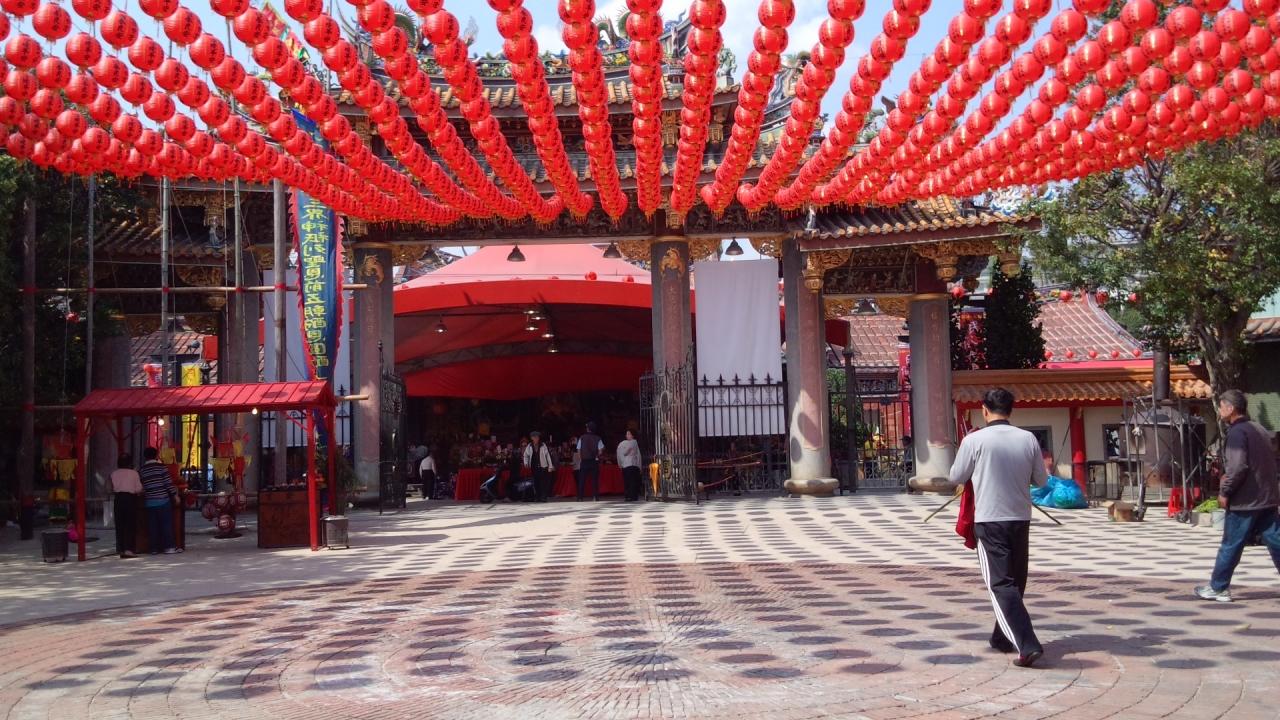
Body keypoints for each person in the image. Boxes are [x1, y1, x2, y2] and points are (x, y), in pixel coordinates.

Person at [948, 388, 1049, 668]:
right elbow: (1041, 481)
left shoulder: (974, 440)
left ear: (984, 410)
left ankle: (1027, 644)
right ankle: (1002, 637)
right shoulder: (1028, 438)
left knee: (1001, 583)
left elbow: (956, 475)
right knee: (1015, 579)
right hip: (1020, 517)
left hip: (989, 518)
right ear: (1011, 410)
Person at [1195, 390, 1280, 603]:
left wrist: (1225, 491)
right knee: (1276, 541)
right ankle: (1218, 586)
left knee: (1231, 544)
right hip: (1267, 497)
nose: (1219, 410)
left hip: (1245, 501)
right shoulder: (1259, 429)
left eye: (1221, 406)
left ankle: (1218, 587)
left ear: (1231, 408)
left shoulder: (1237, 432)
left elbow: (1237, 466)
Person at [139, 446, 181, 555]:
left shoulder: (142, 470)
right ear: (156, 455)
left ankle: (153, 549)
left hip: (149, 501)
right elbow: (168, 483)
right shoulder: (161, 467)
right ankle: (169, 547)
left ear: (145, 457)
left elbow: (142, 486)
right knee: (166, 524)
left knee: (152, 526)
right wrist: (175, 496)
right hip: (163, 500)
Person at [109, 453, 142, 559]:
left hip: (118, 499)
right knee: (130, 524)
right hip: (130, 499)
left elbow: (109, 488)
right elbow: (138, 489)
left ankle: (121, 549)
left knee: (120, 524)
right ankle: (129, 549)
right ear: (130, 463)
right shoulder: (134, 473)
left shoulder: (113, 474)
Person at [523, 431, 555, 502]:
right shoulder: (530, 446)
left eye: (537, 437)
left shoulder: (543, 445)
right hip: (534, 466)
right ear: (532, 438)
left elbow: (547, 455)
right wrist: (526, 462)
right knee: (536, 482)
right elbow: (525, 455)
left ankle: (543, 497)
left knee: (543, 483)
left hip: (543, 466)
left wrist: (550, 466)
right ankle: (538, 497)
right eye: (535, 437)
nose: (536, 438)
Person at [577, 422, 605, 501]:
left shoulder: (582, 437)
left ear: (588, 429)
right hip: (594, 461)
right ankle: (595, 497)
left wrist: (581, 458)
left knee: (582, 479)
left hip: (584, 461)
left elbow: (578, 449)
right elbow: (601, 451)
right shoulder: (598, 438)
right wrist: (597, 456)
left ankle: (580, 497)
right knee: (594, 480)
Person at [617, 429, 642, 501]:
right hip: (628, 465)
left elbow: (638, 455)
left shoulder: (627, 443)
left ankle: (629, 496)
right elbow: (620, 454)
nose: (627, 435)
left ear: (632, 435)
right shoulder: (628, 443)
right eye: (627, 434)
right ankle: (632, 496)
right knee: (630, 481)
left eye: (629, 434)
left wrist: (620, 464)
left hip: (631, 465)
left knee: (630, 481)